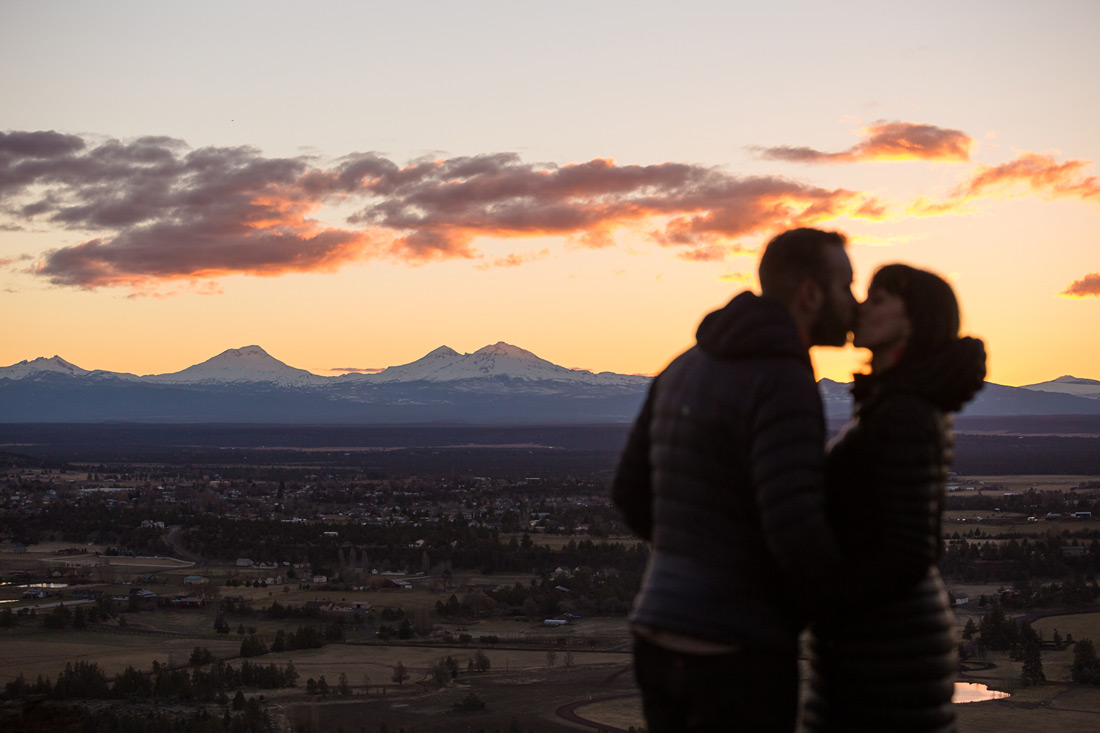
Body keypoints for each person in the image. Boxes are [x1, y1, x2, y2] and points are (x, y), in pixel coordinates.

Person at [611, 227, 858, 732]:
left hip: (657, 633)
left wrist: (695, 556)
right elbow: (794, 528)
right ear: (810, 294)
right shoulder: (784, 380)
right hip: (736, 654)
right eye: (845, 287)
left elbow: (628, 493)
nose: (854, 303)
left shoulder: (683, 365)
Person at [801, 264, 986, 732]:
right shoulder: (894, 403)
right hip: (877, 642)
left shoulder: (905, 412)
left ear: (914, 320)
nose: (863, 307)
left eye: (879, 299)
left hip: (890, 652)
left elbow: (909, 551)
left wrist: (821, 597)